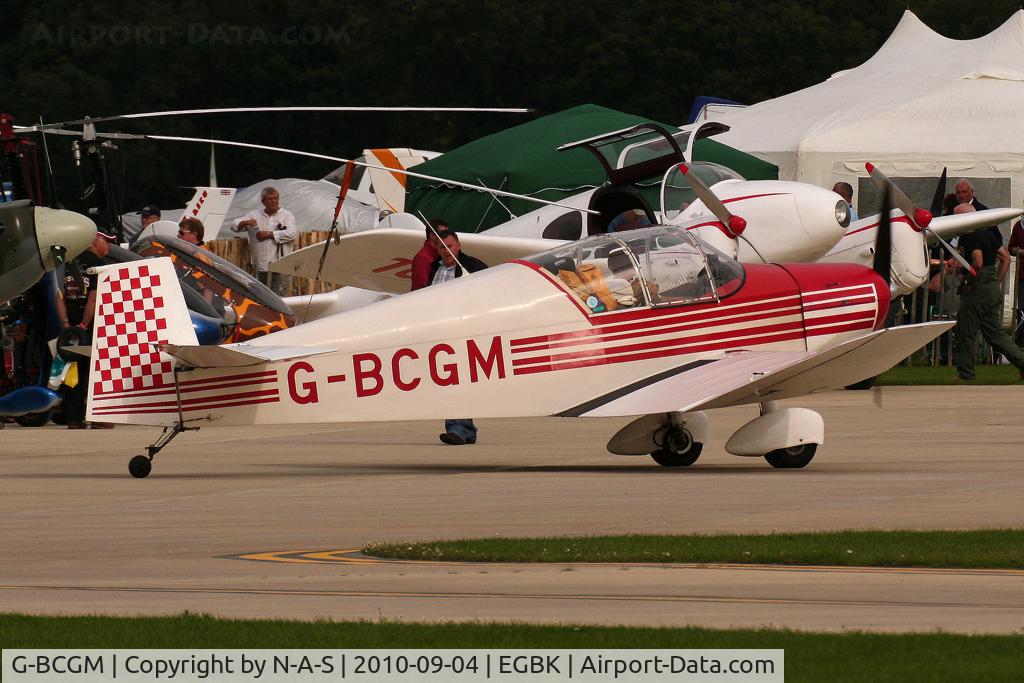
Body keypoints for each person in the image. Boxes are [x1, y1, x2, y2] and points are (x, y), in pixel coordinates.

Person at [428, 230, 487, 445]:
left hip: (464, 332)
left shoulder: (473, 267)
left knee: (457, 382)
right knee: (451, 382)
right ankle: (466, 430)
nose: (446, 251)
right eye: (442, 247)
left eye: (449, 246)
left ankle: (458, 428)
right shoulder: (434, 268)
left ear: (459, 245)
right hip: (441, 334)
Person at [56, 230, 117, 429]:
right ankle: (98, 418)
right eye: (106, 242)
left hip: (69, 326)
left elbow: (59, 296)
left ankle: (73, 418)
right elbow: (94, 297)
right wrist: (84, 325)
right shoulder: (98, 265)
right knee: (95, 370)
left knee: (72, 371)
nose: (108, 246)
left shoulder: (67, 262)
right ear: (94, 241)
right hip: (90, 325)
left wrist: (66, 324)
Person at [954, 216, 1024, 381]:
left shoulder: (971, 237)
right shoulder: (989, 234)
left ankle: (966, 374)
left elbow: (978, 262)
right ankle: (1022, 362)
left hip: (978, 287)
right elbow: (1006, 257)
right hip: (991, 286)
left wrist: (969, 282)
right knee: (995, 333)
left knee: (966, 330)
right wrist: (996, 281)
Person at [232, 187, 297, 295]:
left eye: (275, 198)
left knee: (279, 295)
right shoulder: (255, 215)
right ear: (263, 202)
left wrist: (269, 234)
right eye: (270, 199)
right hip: (261, 264)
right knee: (263, 295)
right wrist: (245, 222)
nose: (273, 201)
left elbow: (292, 233)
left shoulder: (286, 215)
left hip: (280, 263)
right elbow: (234, 225)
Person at [410, 218, 447, 291]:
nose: (447, 237)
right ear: (432, 235)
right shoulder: (422, 258)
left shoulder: (441, 255)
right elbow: (420, 290)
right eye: (443, 234)